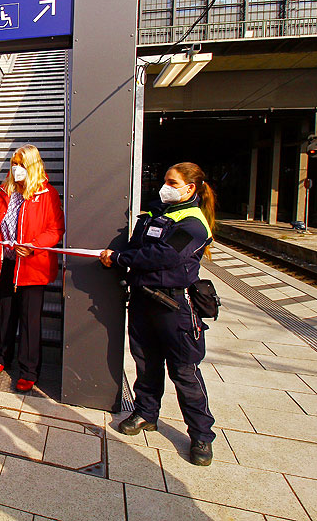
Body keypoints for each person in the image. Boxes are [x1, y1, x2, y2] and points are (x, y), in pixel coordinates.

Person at [100, 162, 217, 466]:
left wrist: (121, 258)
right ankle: (146, 414)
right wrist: (123, 255)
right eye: (165, 180)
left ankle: (201, 435)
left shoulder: (193, 224)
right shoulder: (156, 214)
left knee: (184, 372)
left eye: (172, 181)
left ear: (190, 188)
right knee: (146, 363)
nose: (165, 186)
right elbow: (138, 245)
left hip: (176, 308)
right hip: (143, 302)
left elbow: (163, 256)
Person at [0, 144, 64, 392]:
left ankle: (29, 370)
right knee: (7, 313)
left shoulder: (47, 194)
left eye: (21, 164)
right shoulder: (2, 192)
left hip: (32, 266)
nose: (16, 169)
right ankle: (1, 357)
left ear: (33, 166)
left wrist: (34, 246)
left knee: (30, 320)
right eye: (13, 163)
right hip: (6, 263)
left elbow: (56, 229)